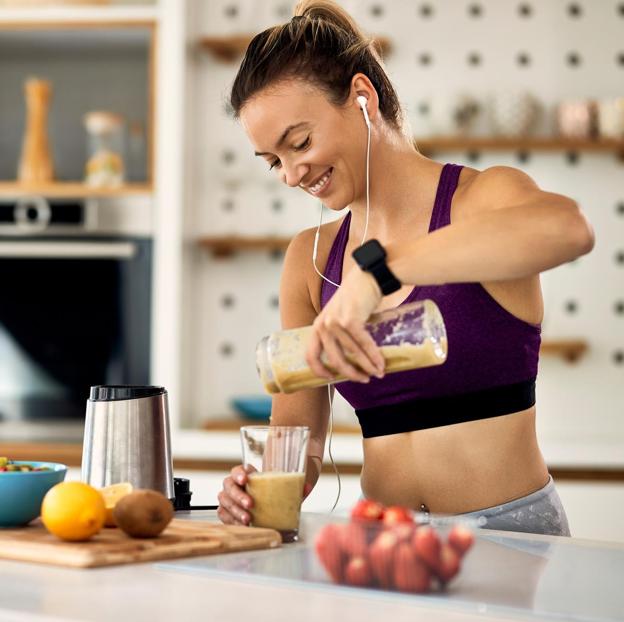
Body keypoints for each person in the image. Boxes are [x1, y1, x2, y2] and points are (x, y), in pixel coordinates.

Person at [217, 0, 594, 536]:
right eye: (274, 161)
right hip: (383, 540)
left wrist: (378, 273)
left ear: (362, 97)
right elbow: (299, 444)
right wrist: (259, 487)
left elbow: (569, 229)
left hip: (512, 538)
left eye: (299, 142)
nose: (290, 173)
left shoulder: (479, 200)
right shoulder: (312, 259)